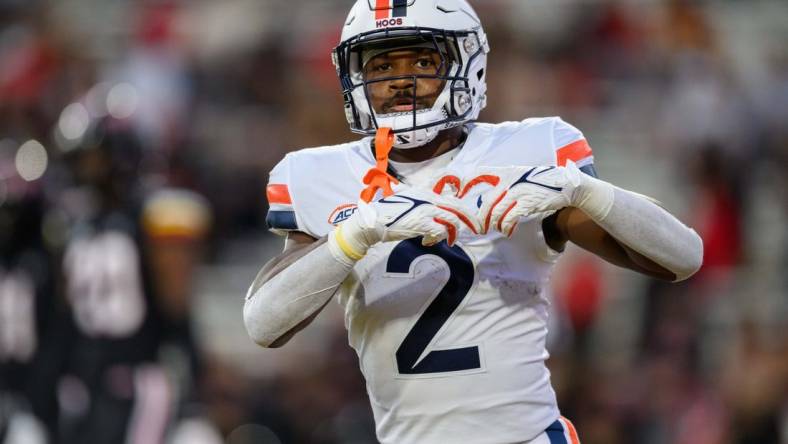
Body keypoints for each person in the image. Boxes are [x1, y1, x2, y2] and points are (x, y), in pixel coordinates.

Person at [243, 1, 703, 443]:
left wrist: (584, 190)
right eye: (381, 67)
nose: (400, 81)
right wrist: (357, 232)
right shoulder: (320, 176)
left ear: (467, 63)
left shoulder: (531, 151)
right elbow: (264, 325)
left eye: (422, 62)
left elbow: (684, 258)